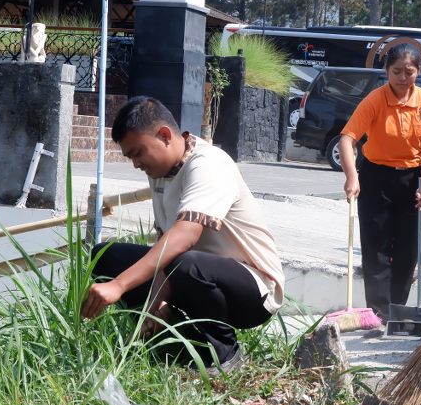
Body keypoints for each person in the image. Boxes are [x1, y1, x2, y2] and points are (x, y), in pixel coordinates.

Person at [81, 97, 285, 373]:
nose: (136, 164)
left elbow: (184, 237)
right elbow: (167, 250)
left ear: (164, 135)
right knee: (106, 255)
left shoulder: (208, 163)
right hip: (196, 275)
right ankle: (167, 333)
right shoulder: (161, 173)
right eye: (130, 157)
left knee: (182, 259)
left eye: (138, 153)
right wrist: (152, 310)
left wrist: (118, 286)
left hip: (253, 290)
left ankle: (224, 355)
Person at [339, 43, 421, 321]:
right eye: (396, 71)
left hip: (413, 179)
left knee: (409, 249)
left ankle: (397, 311)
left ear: (419, 72)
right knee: (376, 247)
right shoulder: (375, 99)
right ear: (386, 70)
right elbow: (347, 138)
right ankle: (378, 312)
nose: (402, 77)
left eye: (408, 72)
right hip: (376, 177)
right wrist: (352, 176)